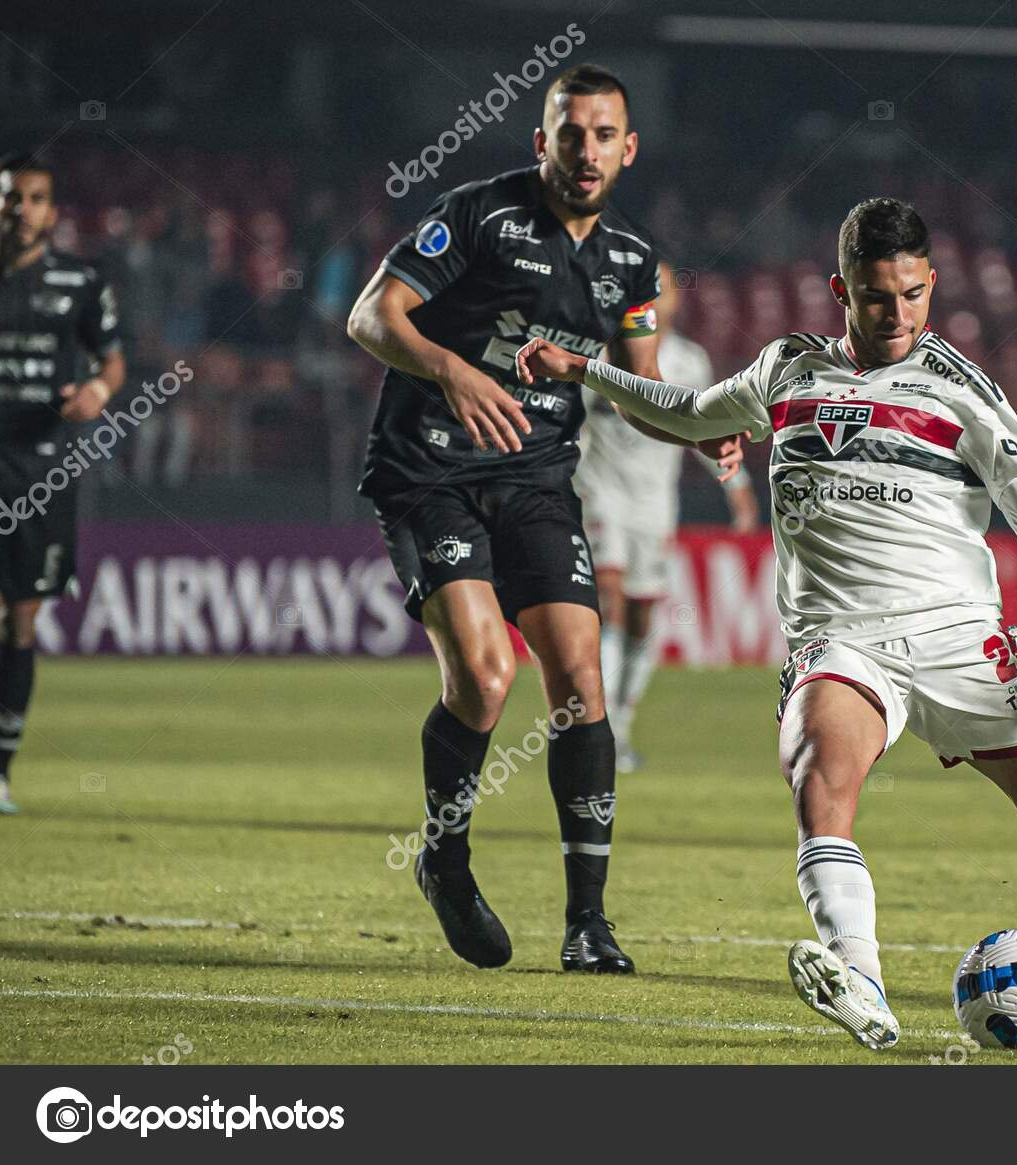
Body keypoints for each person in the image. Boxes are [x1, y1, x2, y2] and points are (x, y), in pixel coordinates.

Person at [516, 197, 1017, 1047]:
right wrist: (586, 371)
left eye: (910, 295)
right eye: (874, 296)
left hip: (957, 637)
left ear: (930, 286)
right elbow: (686, 411)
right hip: (841, 641)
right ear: (841, 290)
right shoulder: (786, 368)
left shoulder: (963, 392)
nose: (895, 314)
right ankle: (859, 977)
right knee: (820, 784)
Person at [346, 65, 741, 974]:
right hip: (429, 470)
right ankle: (445, 860)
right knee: (486, 680)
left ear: (628, 149)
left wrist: (697, 432)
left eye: (605, 135)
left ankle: (588, 924)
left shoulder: (633, 261)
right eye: (572, 133)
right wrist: (452, 369)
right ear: (543, 141)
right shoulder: (482, 214)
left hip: (534, 478)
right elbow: (373, 315)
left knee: (578, 679)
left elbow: (640, 389)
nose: (587, 150)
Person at [574, 259, 760, 772]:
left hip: (654, 504)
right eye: (647, 289)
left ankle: (620, 730)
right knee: (607, 600)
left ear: (678, 300)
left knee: (641, 618)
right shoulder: (595, 352)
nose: (657, 297)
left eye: (665, 289)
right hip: (598, 490)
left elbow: (701, 426)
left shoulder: (688, 361)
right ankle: (597, 727)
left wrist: (738, 486)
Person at [0, 153, 125, 815]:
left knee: (20, 621)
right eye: (12, 197)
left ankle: (0, 771)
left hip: (40, 472)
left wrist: (99, 390)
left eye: (36, 198)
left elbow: (112, 358)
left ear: (52, 210)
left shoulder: (78, 280)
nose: (23, 209)